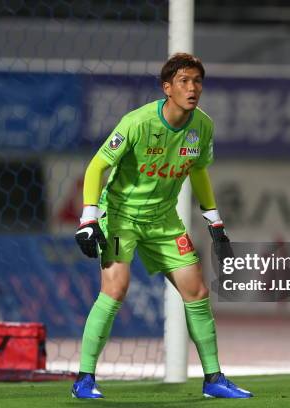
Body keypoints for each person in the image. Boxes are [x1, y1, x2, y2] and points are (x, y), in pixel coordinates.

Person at [72, 53, 252, 399]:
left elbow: (198, 169)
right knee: (115, 288)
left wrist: (213, 219)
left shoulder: (203, 126)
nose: (192, 88)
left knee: (197, 292)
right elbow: (96, 167)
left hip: (165, 221)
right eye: (184, 81)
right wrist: (89, 218)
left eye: (197, 81)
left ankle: (213, 379)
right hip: (120, 217)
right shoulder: (137, 123)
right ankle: (84, 379)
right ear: (167, 88)